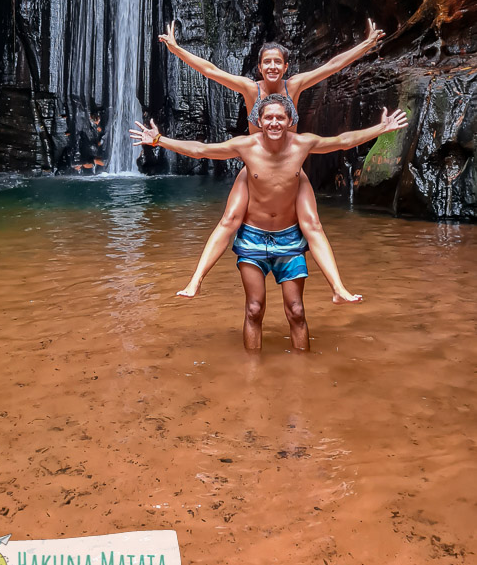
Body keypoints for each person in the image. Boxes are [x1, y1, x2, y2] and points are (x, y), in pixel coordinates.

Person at [130, 97, 408, 351]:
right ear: (259, 122)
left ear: (290, 122)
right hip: (252, 238)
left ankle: (306, 364)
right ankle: (252, 377)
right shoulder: (246, 146)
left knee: (296, 310)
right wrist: (159, 141)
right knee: (254, 308)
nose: (274, 122)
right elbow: (201, 150)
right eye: (268, 118)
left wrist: (380, 129)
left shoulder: (302, 144)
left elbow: (343, 140)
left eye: (280, 118)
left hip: (289, 239)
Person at [158, 19, 385, 303]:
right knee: (229, 219)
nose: (273, 67)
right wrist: (176, 49)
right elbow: (210, 70)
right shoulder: (250, 89)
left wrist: (366, 44)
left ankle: (338, 289)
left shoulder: (296, 85)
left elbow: (332, 67)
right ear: (260, 66)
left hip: (291, 168)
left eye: (278, 62)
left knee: (313, 224)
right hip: (256, 165)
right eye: (268, 62)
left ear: (285, 66)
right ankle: (195, 280)